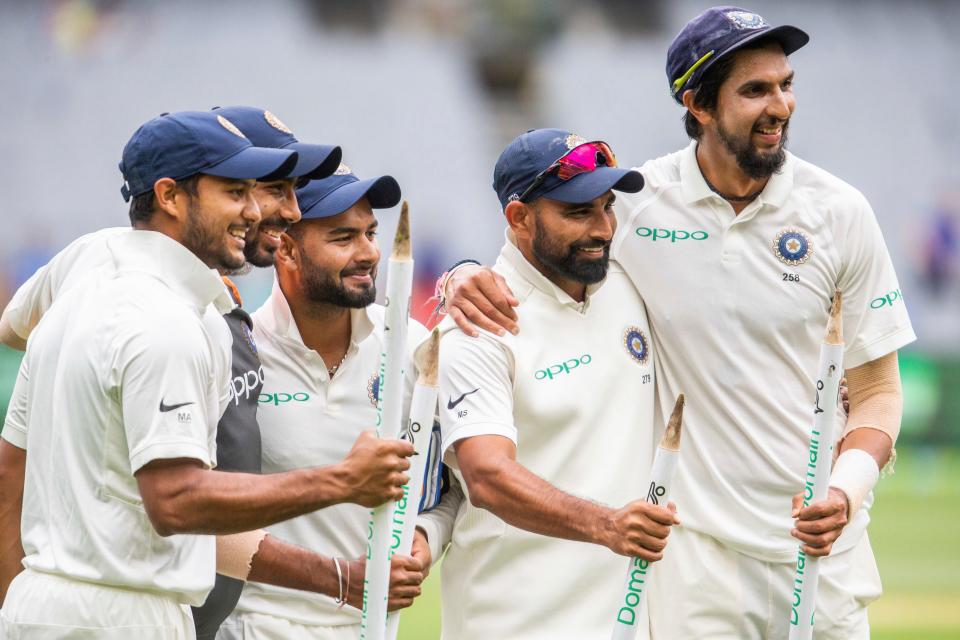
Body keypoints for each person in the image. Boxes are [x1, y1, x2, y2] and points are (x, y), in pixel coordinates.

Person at [442, 7, 915, 638]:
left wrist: (847, 490)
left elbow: (879, 392)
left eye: (786, 84)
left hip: (824, 555)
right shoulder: (636, 206)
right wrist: (461, 275)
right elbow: (542, 246)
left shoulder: (841, 212)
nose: (780, 106)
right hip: (697, 568)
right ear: (698, 104)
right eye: (755, 90)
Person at [0, 110, 413, 639]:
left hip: (41, 605)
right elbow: (176, 499)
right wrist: (342, 481)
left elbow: (12, 463)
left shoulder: (82, 274)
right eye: (246, 190)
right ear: (171, 196)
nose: (279, 210)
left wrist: (18, 602)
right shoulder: (170, 320)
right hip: (128, 614)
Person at [422, 128, 677, 640]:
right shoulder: (475, 330)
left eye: (607, 207)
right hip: (512, 624)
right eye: (578, 212)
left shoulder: (627, 281)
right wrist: (607, 525)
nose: (603, 228)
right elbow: (488, 476)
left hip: (628, 622)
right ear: (518, 218)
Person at [218, 163, 442, 640]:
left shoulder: (408, 344)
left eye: (371, 233)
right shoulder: (236, 349)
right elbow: (202, 519)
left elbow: (450, 483)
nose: (369, 254)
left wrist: (425, 539)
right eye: (343, 238)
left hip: (374, 629)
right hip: (256, 626)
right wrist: (341, 580)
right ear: (287, 249)